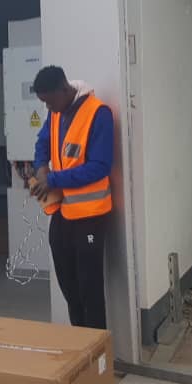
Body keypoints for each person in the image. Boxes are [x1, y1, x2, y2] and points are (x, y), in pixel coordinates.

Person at [30, 66, 114, 329]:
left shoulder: (98, 114)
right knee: (68, 285)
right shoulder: (56, 113)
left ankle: (97, 347)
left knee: (90, 287)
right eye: (44, 103)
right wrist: (41, 168)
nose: (48, 108)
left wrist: (53, 180)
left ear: (64, 90)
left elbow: (100, 167)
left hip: (90, 217)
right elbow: (42, 142)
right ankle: (79, 343)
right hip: (63, 214)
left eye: (50, 101)